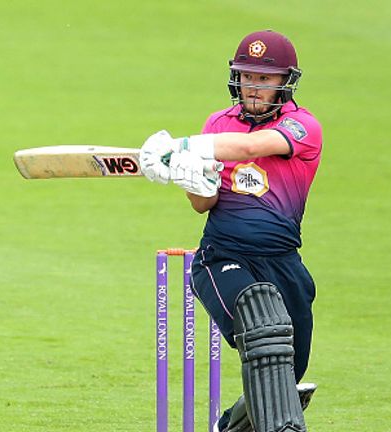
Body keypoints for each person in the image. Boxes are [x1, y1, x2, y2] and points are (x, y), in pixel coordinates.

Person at [139, 30, 322, 432]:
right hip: (222, 258)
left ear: (284, 82)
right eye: (246, 76)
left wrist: (185, 145)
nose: (253, 87)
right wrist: (190, 178)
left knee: (282, 377)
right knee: (262, 320)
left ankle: (229, 427)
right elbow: (203, 204)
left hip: (283, 264)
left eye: (264, 78)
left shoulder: (303, 126)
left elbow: (250, 148)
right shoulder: (219, 124)